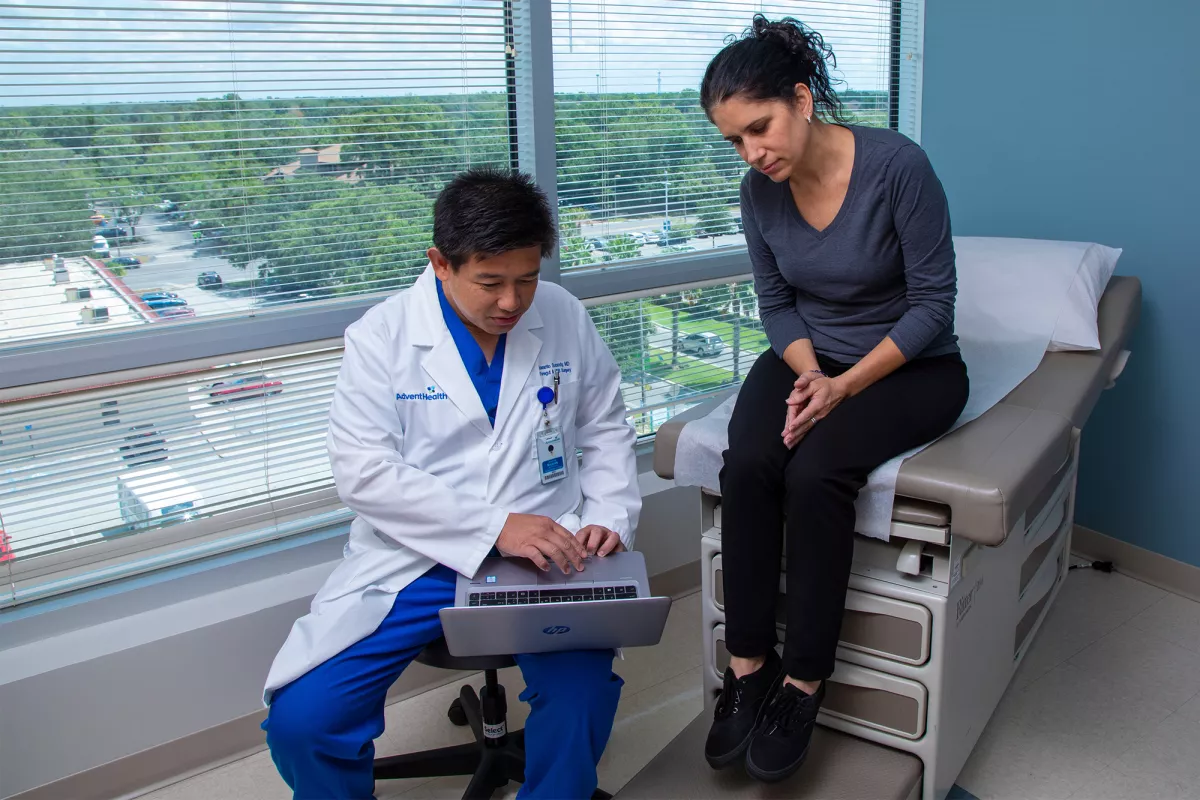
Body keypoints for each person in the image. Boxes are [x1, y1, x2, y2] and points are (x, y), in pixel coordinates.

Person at [261, 167, 641, 800]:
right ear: (440, 262)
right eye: (490, 283)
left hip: (550, 547)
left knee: (580, 696)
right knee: (305, 723)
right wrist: (495, 528)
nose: (513, 303)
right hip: (419, 556)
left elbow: (604, 426)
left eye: (527, 279)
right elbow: (363, 471)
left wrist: (607, 515)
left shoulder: (564, 315)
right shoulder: (382, 337)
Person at [697, 15, 970, 784]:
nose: (752, 154)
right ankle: (749, 667)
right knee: (750, 462)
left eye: (760, 128)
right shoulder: (760, 193)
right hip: (807, 358)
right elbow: (776, 303)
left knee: (816, 475)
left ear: (802, 99)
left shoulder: (896, 167)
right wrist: (810, 372)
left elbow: (933, 304)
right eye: (735, 142)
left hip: (913, 368)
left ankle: (802, 682)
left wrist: (843, 387)